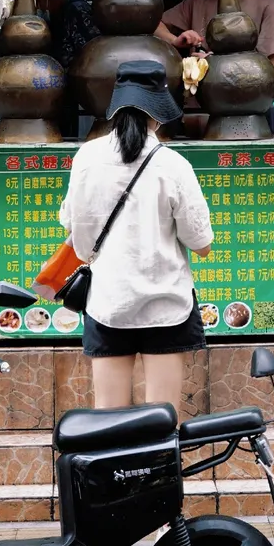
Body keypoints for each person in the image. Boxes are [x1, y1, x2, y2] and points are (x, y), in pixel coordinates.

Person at [59, 60, 213, 414]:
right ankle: (158, 472)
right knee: (162, 422)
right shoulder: (173, 165)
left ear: (116, 106)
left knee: (109, 421)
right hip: (166, 308)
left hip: (108, 303)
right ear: (158, 113)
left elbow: (71, 226)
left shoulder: (86, 158)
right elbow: (201, 244)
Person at [24, 0, 99, 70]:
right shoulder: (54, 17)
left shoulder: (76, 11)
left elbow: (91, 55)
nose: (37, 8)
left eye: (38, 2)